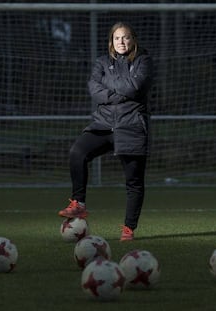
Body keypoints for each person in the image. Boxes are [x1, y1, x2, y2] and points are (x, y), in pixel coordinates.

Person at [58, 22, 154, 242]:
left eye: (126, 37)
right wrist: (120, 91)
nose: (121, 42)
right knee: (77, 152)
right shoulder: (102, 61)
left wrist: (110, 85)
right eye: (117, 38)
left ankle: (129, 229)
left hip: (131, 125)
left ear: (133, 39)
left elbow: (136, 87)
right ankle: (78, 204)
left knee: (134, 181)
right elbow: (94, 89)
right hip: (102, 124)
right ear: (111, 41)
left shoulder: (144, 60)